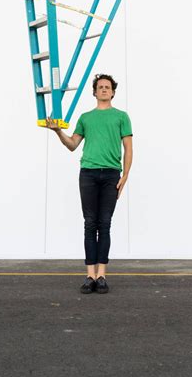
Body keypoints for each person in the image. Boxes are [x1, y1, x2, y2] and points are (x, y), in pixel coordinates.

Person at [46, 73, 133, 294]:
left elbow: (129, 149)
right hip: (88, 174)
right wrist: (58, 131)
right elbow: (73, 144)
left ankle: (101, 275)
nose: (104, 89)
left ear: (113, 92)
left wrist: (124, 176)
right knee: (89, 224)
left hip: (111, 175)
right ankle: (89, 276)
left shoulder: (122, 117)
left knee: (105, 224)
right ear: (94, 92)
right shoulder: (85, 118)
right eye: (100, 87)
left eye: (108, 87)